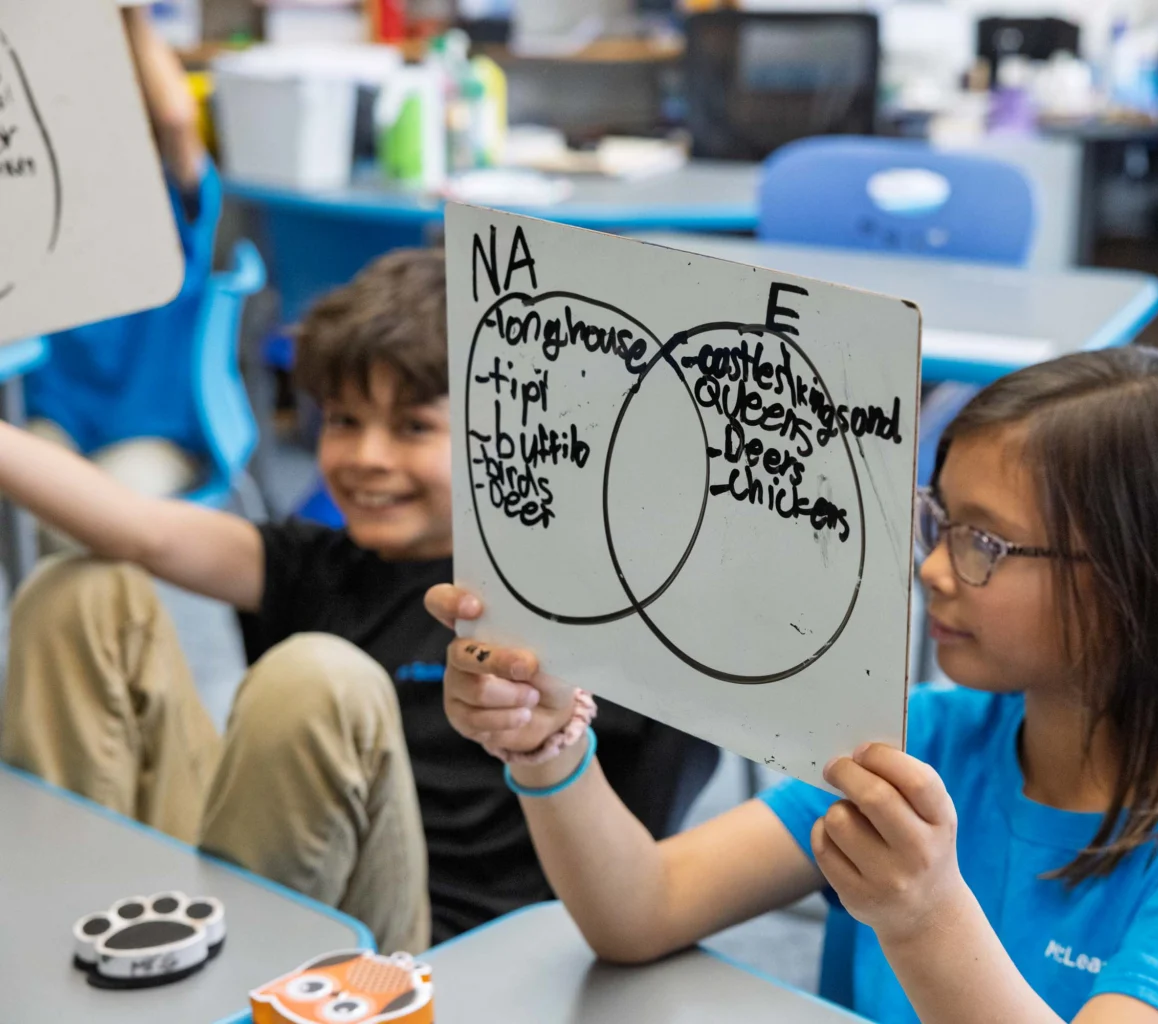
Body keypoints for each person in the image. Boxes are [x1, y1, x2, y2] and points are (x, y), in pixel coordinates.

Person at [427, 346, 1158, 1023]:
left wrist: (922, 913)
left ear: (1148, 584)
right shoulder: (926, 739)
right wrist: (546, 745)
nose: (933, 570)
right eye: (938, 523)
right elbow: (641, 912)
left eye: (986, 543)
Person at [0, 249, 715, 954]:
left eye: (412, 428)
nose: (367, 455)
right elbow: (139, 528)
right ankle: (87, 944)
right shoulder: (317, 563)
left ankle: (211, 983)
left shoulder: (572, 606)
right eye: (343, 420)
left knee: (320, 676)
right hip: (270, 877)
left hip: (425, 949)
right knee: (83, 592)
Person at [24, 5, 218, 504]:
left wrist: (130, 15)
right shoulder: (43, 205)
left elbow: (176, 117)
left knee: (97, 514)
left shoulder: (177, 195)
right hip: (58, 416)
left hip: (151, 430)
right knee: (35, 500)